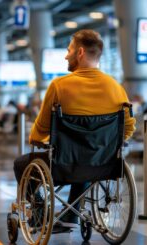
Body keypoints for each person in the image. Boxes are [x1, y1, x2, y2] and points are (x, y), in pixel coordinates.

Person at [14, 29, 136, 229]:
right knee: (87, 157)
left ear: (80, 53)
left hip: (64, 166)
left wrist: (35, 139)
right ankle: (71, 216)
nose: (66, 55)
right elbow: (128, 126)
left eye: (69, 50)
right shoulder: (116, 87)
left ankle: (39, 214)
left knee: (21, 164)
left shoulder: (60, 86)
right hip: (102, 164)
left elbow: (42, 127)